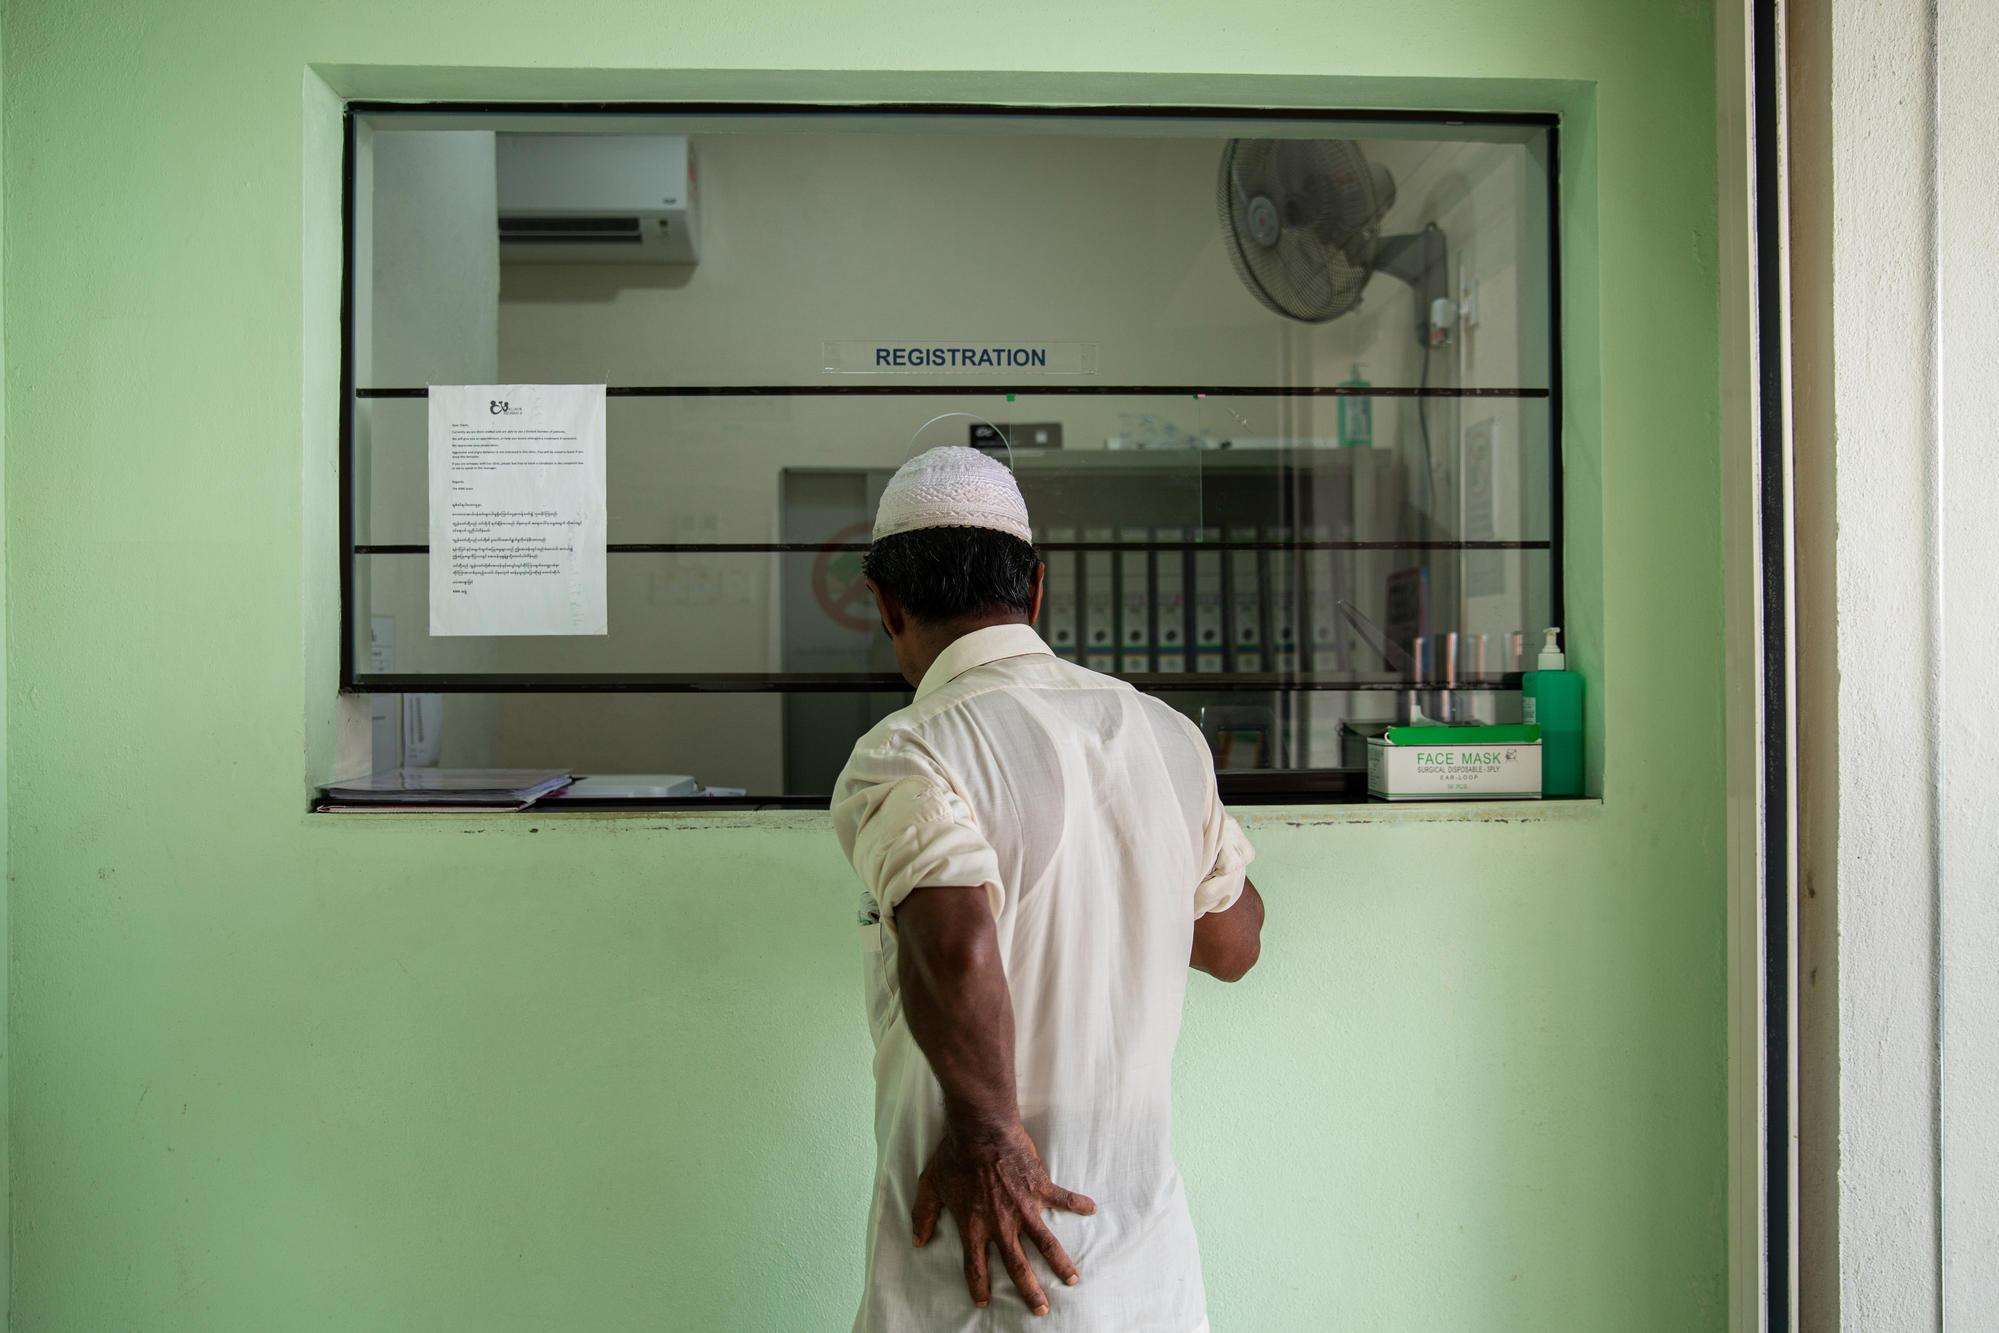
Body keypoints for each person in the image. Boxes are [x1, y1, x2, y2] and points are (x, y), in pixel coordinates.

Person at [834, 445, 1265, 1331]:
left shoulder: (909, 749)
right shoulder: (1164, 735)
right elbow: (1233, 946)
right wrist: (1164, 843)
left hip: (986, 1240)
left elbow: (954, 943)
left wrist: (991, 1139)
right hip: (1137, 1246)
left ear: (882, 601)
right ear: (1035, 590)